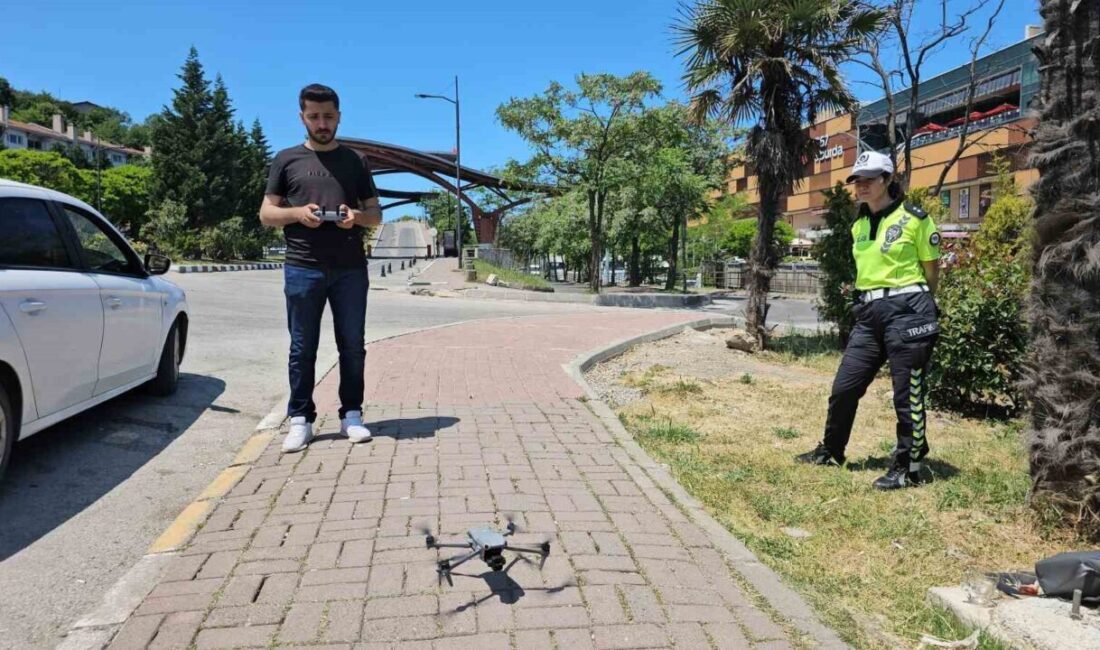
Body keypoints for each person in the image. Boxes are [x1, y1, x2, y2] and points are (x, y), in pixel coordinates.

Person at [797, 151, 942, 490]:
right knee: (844, 387)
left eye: (869, 179)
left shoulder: (915, 219)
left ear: (888, 180)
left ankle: (909, 467)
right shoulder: (859, 224)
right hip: (869, 313)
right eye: (856, 180)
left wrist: (921, 307)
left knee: (907, 394)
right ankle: (832, 451)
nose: (860, 185)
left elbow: (932, 271)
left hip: (908, 309)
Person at [259, 83, 383, 453]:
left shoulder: (356, 161)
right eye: (314, 116)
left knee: (353, 345)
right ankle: (301, 419)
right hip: (302, 267)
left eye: (328, 116)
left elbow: (375, 214)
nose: (322, 123)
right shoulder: (286, 159)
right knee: (302, 347)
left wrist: (355, 216)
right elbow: (266, 213)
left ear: (339, 117)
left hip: (350, 269)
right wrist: (298, 213)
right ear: (302, 118)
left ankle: (352, 415)